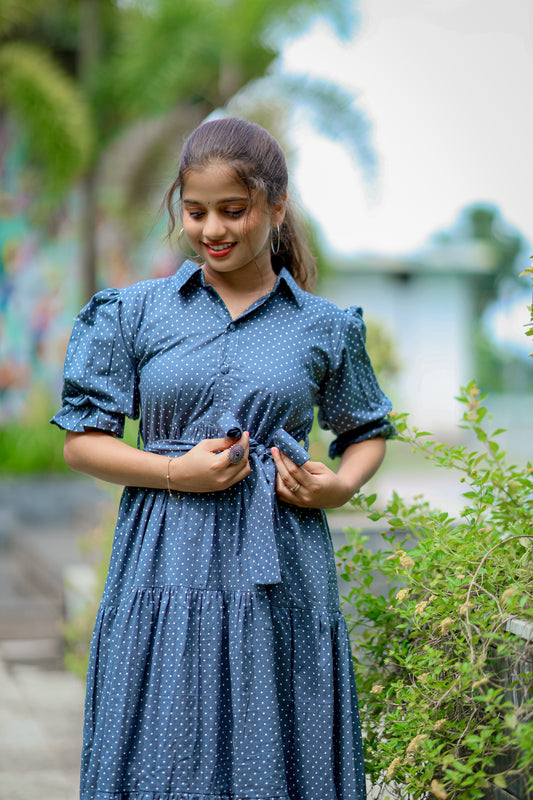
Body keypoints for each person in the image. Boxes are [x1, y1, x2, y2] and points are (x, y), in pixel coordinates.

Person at [52, 116, 394, 800]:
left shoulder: (324, 326)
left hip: (282, 567)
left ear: (276, 208)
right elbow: (81, 442)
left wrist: (339, 487)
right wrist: (178, 471)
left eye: (233, 211)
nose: (212, 229)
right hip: (163, 557)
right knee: (160, 736)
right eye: (196, 210)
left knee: (276, 736)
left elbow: (366, 430)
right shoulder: (133, 314)